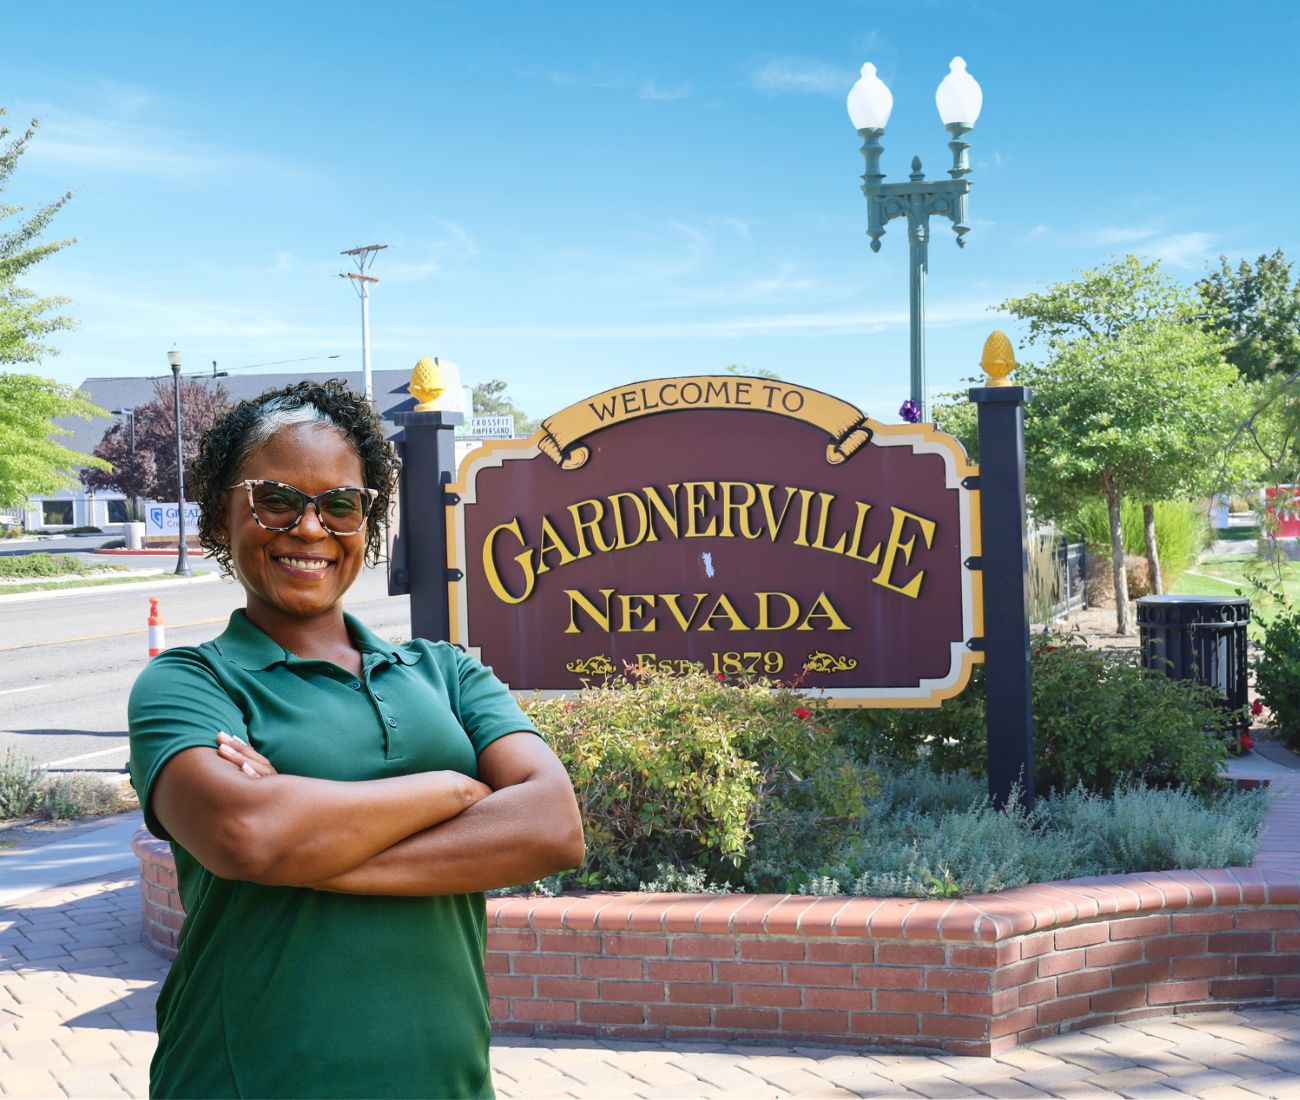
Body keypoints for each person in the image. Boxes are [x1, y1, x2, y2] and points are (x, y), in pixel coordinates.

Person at [128, 379, 584, 1099]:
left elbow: (553, 827)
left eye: (340, 504)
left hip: (444, 1082)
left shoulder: (448, 673)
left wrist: (301, 842)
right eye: (275, 498)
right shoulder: (190, 685)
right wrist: (453, 789)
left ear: (365, 525)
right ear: (223, 514)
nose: (310, 527)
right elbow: (246, 835)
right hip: (244, 1079)